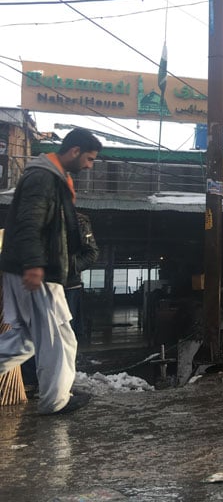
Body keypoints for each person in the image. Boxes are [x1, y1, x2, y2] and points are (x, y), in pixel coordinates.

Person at [0, 128, 102, 414]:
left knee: (26, 339)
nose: (89, 166)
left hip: (30, 267)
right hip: (38, 270)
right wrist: (34, 264)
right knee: (60, 337)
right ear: (74, 151)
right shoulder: (43, 178)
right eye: (89, 159)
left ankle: (55, 398)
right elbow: (29, 222)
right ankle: (56, 402)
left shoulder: (50, 177)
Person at [65, 212, 99, 343]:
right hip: (39, 286)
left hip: (69, 287)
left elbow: (92, 253)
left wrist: (69, 268)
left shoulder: (78, 221)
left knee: (66, 334)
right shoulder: (35, 218)